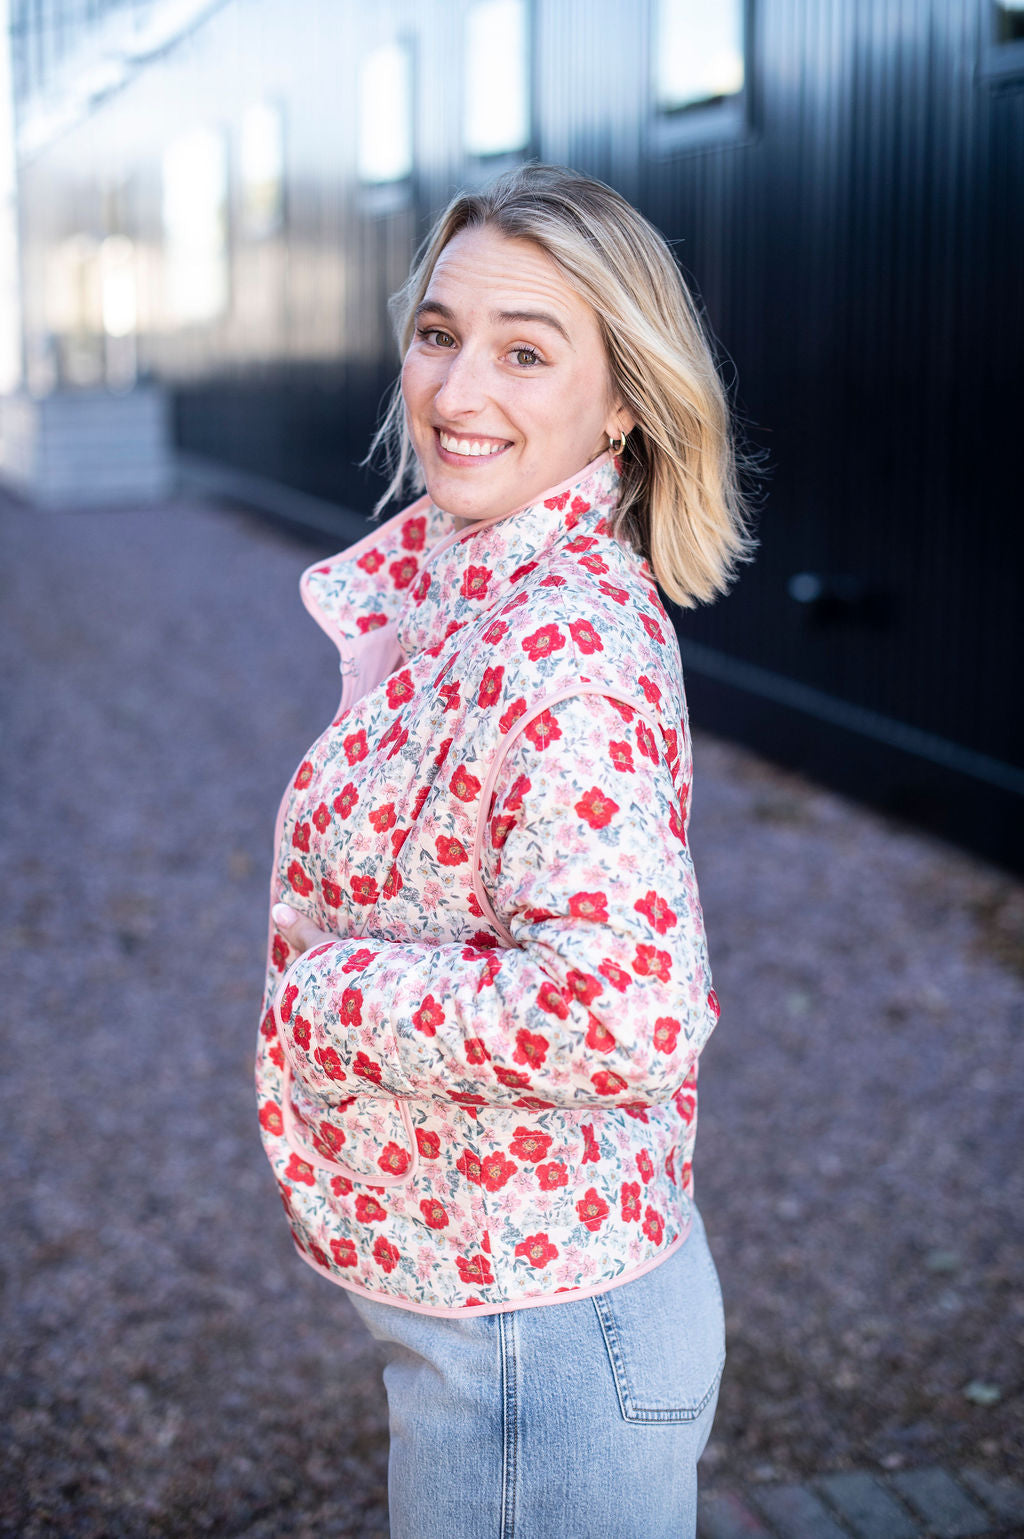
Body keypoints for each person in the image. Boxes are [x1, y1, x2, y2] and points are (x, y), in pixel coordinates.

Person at [256, 163, 757, 1538]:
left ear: (621, 403)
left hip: (543, 1356)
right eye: (438, 333)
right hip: (498, 1328)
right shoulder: (466, 588)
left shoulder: (564, 645)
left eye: (524, 352)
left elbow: (629, 1006)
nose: (457, 389)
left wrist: (328, 1001)